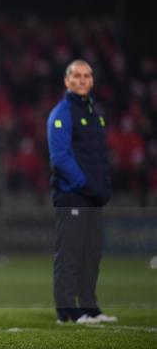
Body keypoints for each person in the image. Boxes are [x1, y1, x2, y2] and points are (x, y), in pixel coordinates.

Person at [47, 59, 117, 324]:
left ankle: (89, 308)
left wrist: (102, 187)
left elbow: (99, 157)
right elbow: (60, 158)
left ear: (92, 80)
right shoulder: (62, 112)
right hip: (72, 194)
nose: (82, 79)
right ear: (67, 81)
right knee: (71, 254)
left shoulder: (94, 112)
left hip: (92, 195)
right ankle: (66, 311)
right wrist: (87, 184)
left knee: (91, 255)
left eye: (86, 75)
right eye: (76, 75)